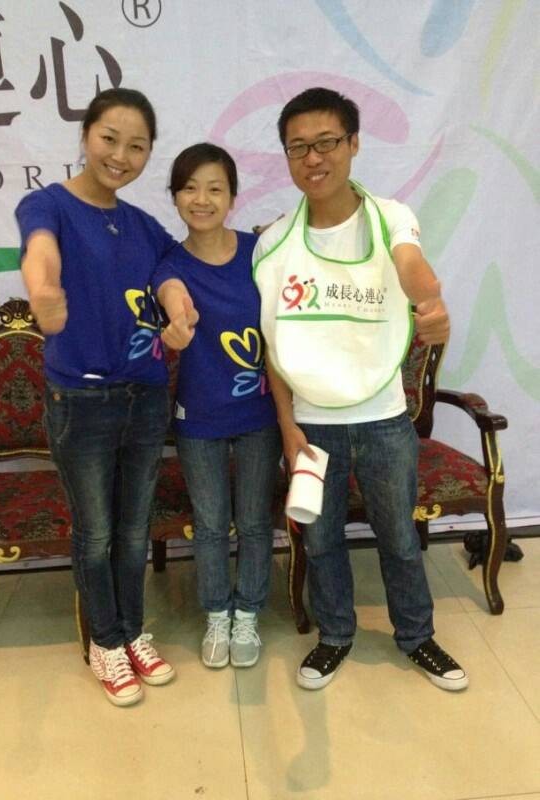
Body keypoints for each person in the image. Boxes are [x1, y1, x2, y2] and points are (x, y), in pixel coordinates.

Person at [254, 87, 468, 692]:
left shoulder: (389, 217)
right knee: (321, 542)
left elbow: (410, 266)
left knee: (398, 537)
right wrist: (288, 426)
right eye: (298, 147)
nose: (313, 158)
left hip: (383, 418)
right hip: (312, 424)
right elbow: (273, 348)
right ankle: (335, 636)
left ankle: (417, 637)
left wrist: (430, 302)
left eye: (326, 142)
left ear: (353, 143)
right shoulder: (274, 243)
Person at [15, 88, 196, 707]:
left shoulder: (141, 224)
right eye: (109, 139)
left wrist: (178, 307)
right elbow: (40, 250)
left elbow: (169, 272)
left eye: (137, 146)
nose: (121, 156)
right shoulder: (49, 204)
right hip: (81, 400)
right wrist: (43, 291)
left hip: (145, 395)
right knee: (95, 532)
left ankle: (132, 631)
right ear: (85, 135)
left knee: (133, 528)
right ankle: (104, 641)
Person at [153, 143, 282, 669]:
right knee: (209, 525)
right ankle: (216, 614)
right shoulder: (170, 263)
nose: (201, 199)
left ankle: (247, 612)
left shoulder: (260, 252)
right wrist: (178, 317)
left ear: (232, 196)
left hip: (260, 415)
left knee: (253, 522)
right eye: (189, 188)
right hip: (199, 418)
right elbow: (171, 292)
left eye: (214, 188)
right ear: (175, 196)